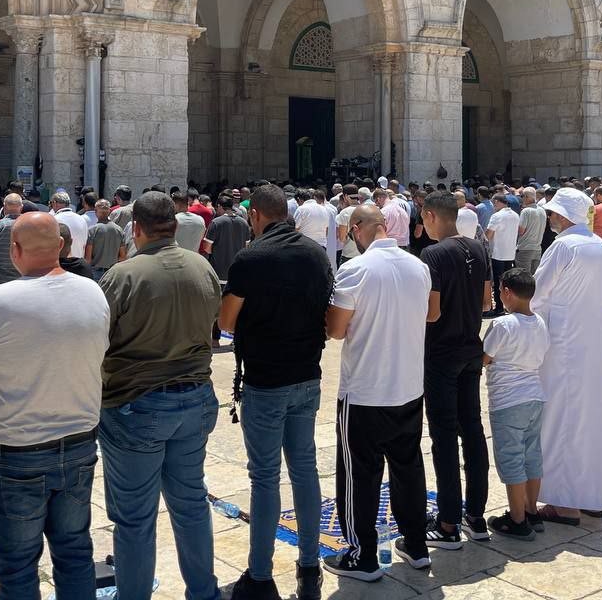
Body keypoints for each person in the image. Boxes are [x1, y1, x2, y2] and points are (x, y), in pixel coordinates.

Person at [0, 213, 110, 598]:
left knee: (17, 565)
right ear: (61, 245)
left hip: (19, 451)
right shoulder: (93, 291)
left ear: (14, 251)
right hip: (79, 444)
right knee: (75, 552)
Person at [97, 191, 223, 600]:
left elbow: (99, 341)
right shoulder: (202, 267)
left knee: (134, 517)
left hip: (138, 405)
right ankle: (204, 592)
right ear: (175, 222)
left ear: (136, 228)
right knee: (190, 503)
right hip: (195, 399)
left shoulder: (123, 275)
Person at [220, 185, 332, 600]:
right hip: (308, 376)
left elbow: (227, 321)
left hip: (266, 381)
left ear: (256, 217)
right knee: (304, 470)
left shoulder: (251, 258)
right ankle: (308, 567)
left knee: (264, 477)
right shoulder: (316, 254)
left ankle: (261, 576)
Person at [324, 202, 432, 579]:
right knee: (408, 467)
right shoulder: (419, 267)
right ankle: (416, 545)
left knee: (360, 475)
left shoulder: (355, 270)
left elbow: (336, 329)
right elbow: (428, 315)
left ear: (356, 229)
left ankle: (362, 554)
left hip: (366, 391)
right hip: (408, 387)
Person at [530, 188, 602, 524]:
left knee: (562, 419)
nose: (551, 218)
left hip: (563, 343)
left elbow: (538, 293)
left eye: (554, 213)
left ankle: (564, 501)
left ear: (563, 215)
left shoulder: (564, 245)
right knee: (590, 419)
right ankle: (592, 494)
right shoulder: (597, 244)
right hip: (592, 343)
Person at [419, 190, 492, 548]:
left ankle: (448, 523)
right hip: (470, 348)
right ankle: (475, 515)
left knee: (444, 435)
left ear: (432, 216)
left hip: (441, 353)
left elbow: (431, 312)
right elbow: (487, 301)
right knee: (473, 429)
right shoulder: (478, 248)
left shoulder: (433, 254)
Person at [482, 268, 549, 540]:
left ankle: (517, 519)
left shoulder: (503, 325)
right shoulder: (540, 322)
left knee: (511, 459)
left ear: (507, 292)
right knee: (532, 454)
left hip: (508, 401)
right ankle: (531, 510)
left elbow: (485, 357)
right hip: (535, 396)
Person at [485, 198, 520, 314]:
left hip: (498, 253)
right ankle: (510, 306)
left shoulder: (497, 216)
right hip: (510, 253)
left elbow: (488, 235)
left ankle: (499, 308)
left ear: (497, 202)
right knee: (509, 282)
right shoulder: (515, 215)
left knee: (498, 283)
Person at [86, 198, 126, 281]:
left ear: (96, 211)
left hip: (96, 272)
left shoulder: (92, 230)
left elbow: (88, 258)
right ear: (109, 211)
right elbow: (123, 257)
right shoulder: (119, 230)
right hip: (113, 271)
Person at [514, 187, 545, 277]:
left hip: (525, 249)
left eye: (522, 196)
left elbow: (521, 231)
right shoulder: (542, 210)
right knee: (534, 278)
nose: (521, 198)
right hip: (537, 249)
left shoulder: (526, 211)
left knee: (523, 278)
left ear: (527, 197)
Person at [51, 190, 89, 260]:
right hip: (79, 262)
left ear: (55, 203)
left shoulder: (54, 220)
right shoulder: (82, 219)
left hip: (62, 263)